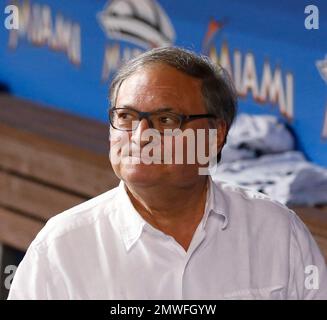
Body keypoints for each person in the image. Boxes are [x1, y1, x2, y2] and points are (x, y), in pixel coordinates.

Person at [8, 47, 327, 299]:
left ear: (215, 134)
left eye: (167, 120)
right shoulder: (61, 248)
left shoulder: (276, 231)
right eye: (126, 116)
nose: (140, 134)